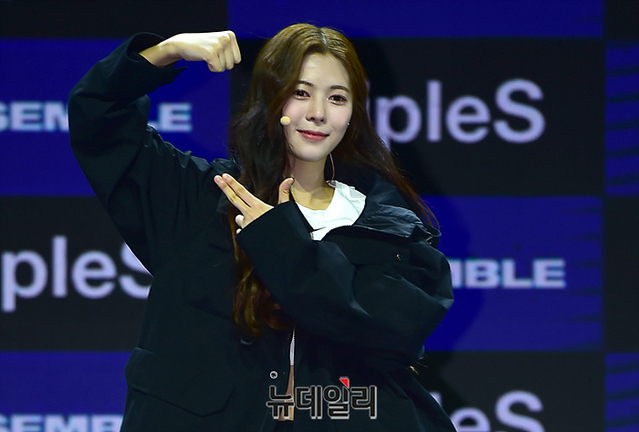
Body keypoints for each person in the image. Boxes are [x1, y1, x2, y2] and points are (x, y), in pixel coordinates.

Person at [68, 23, 455, 432]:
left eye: (337, 98)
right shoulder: (205, 200)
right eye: (301, 92)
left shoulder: (389, 229)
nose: (318, 112)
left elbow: (394, 332)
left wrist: (280, 240)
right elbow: (97, 117)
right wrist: (169, 51)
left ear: (353, 115)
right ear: (271, 97)